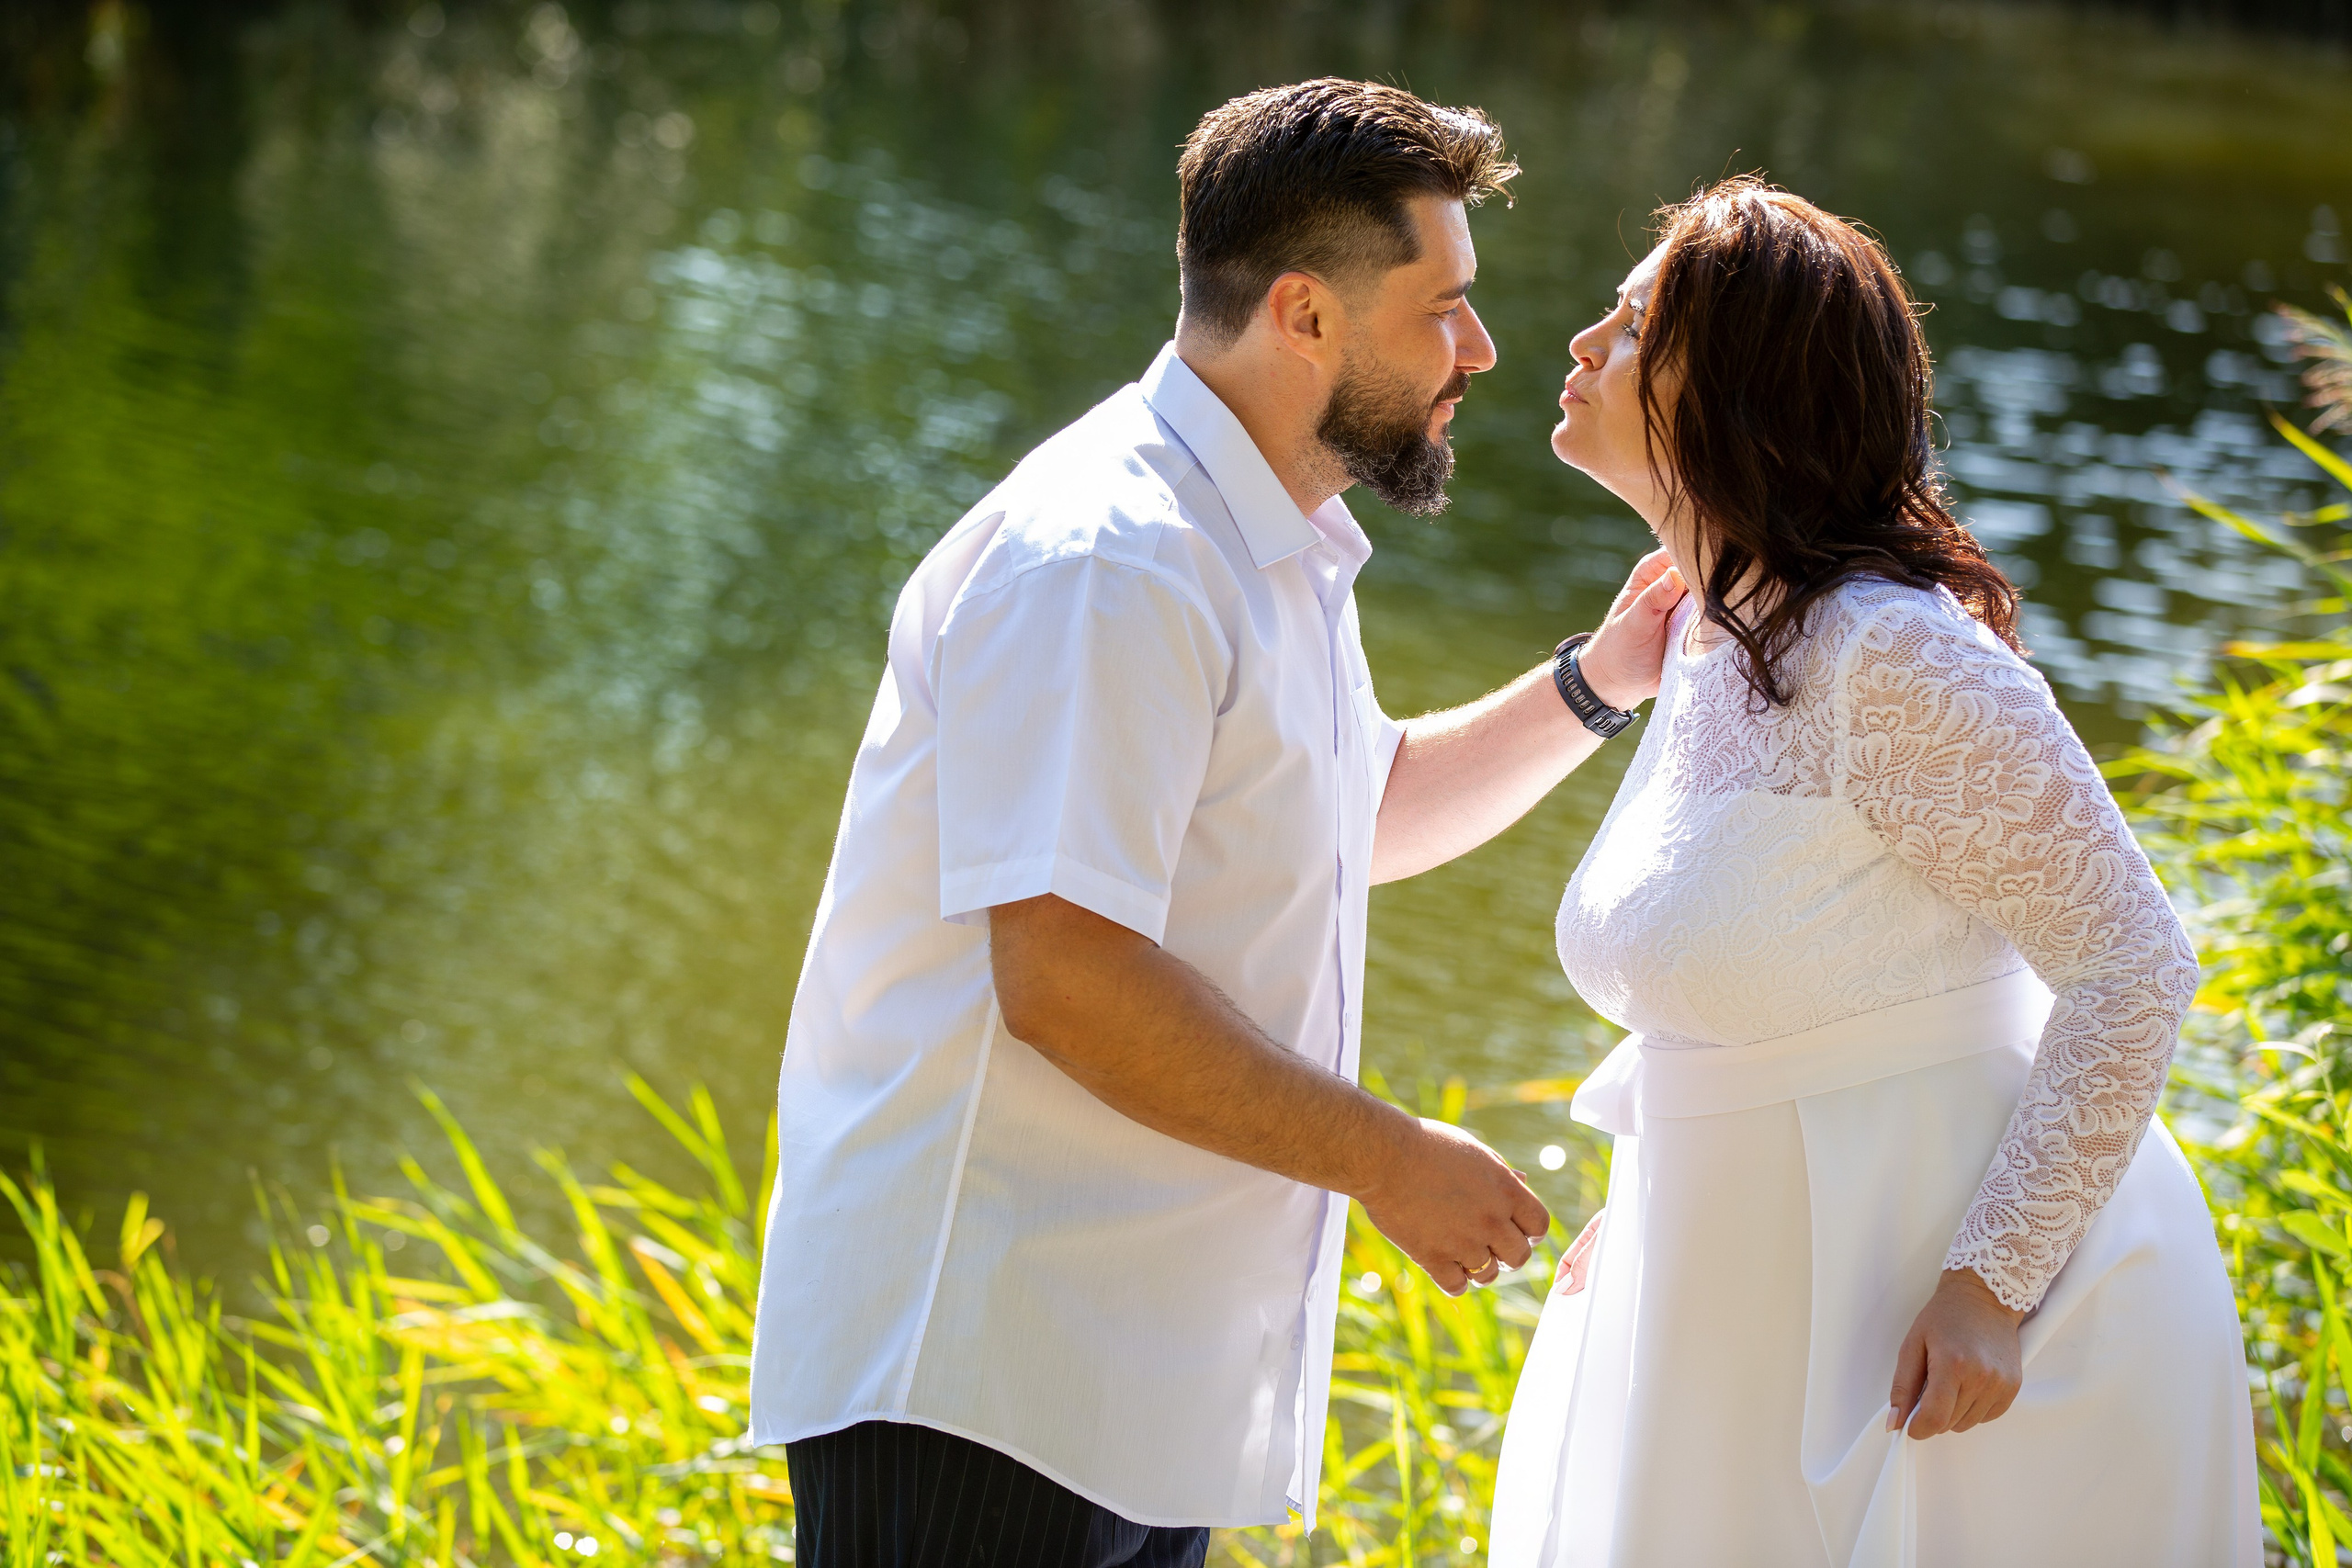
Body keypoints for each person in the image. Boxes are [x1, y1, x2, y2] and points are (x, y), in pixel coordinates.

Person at [747, 80, 1686, 1568]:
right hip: (985, 1374)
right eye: (1442, 308)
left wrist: (1600, 680)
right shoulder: (1111, 562)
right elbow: (1065, 976)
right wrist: (1388, 1158)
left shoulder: (1268, 539)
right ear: (1305, 314)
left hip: (1129, 1384)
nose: (1482, 350)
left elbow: (1351, 818)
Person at [1487, 177, 2260, 1567]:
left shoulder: (1893, 654)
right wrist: (1661, 1182)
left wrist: (1991, 1287)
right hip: (1732, 1284)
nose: (1585, 344)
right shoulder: (1712, 634)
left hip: (1926, 1324)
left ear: (1742, 387)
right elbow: (1780, 968)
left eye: (1636, 323)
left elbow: (2135, 962)